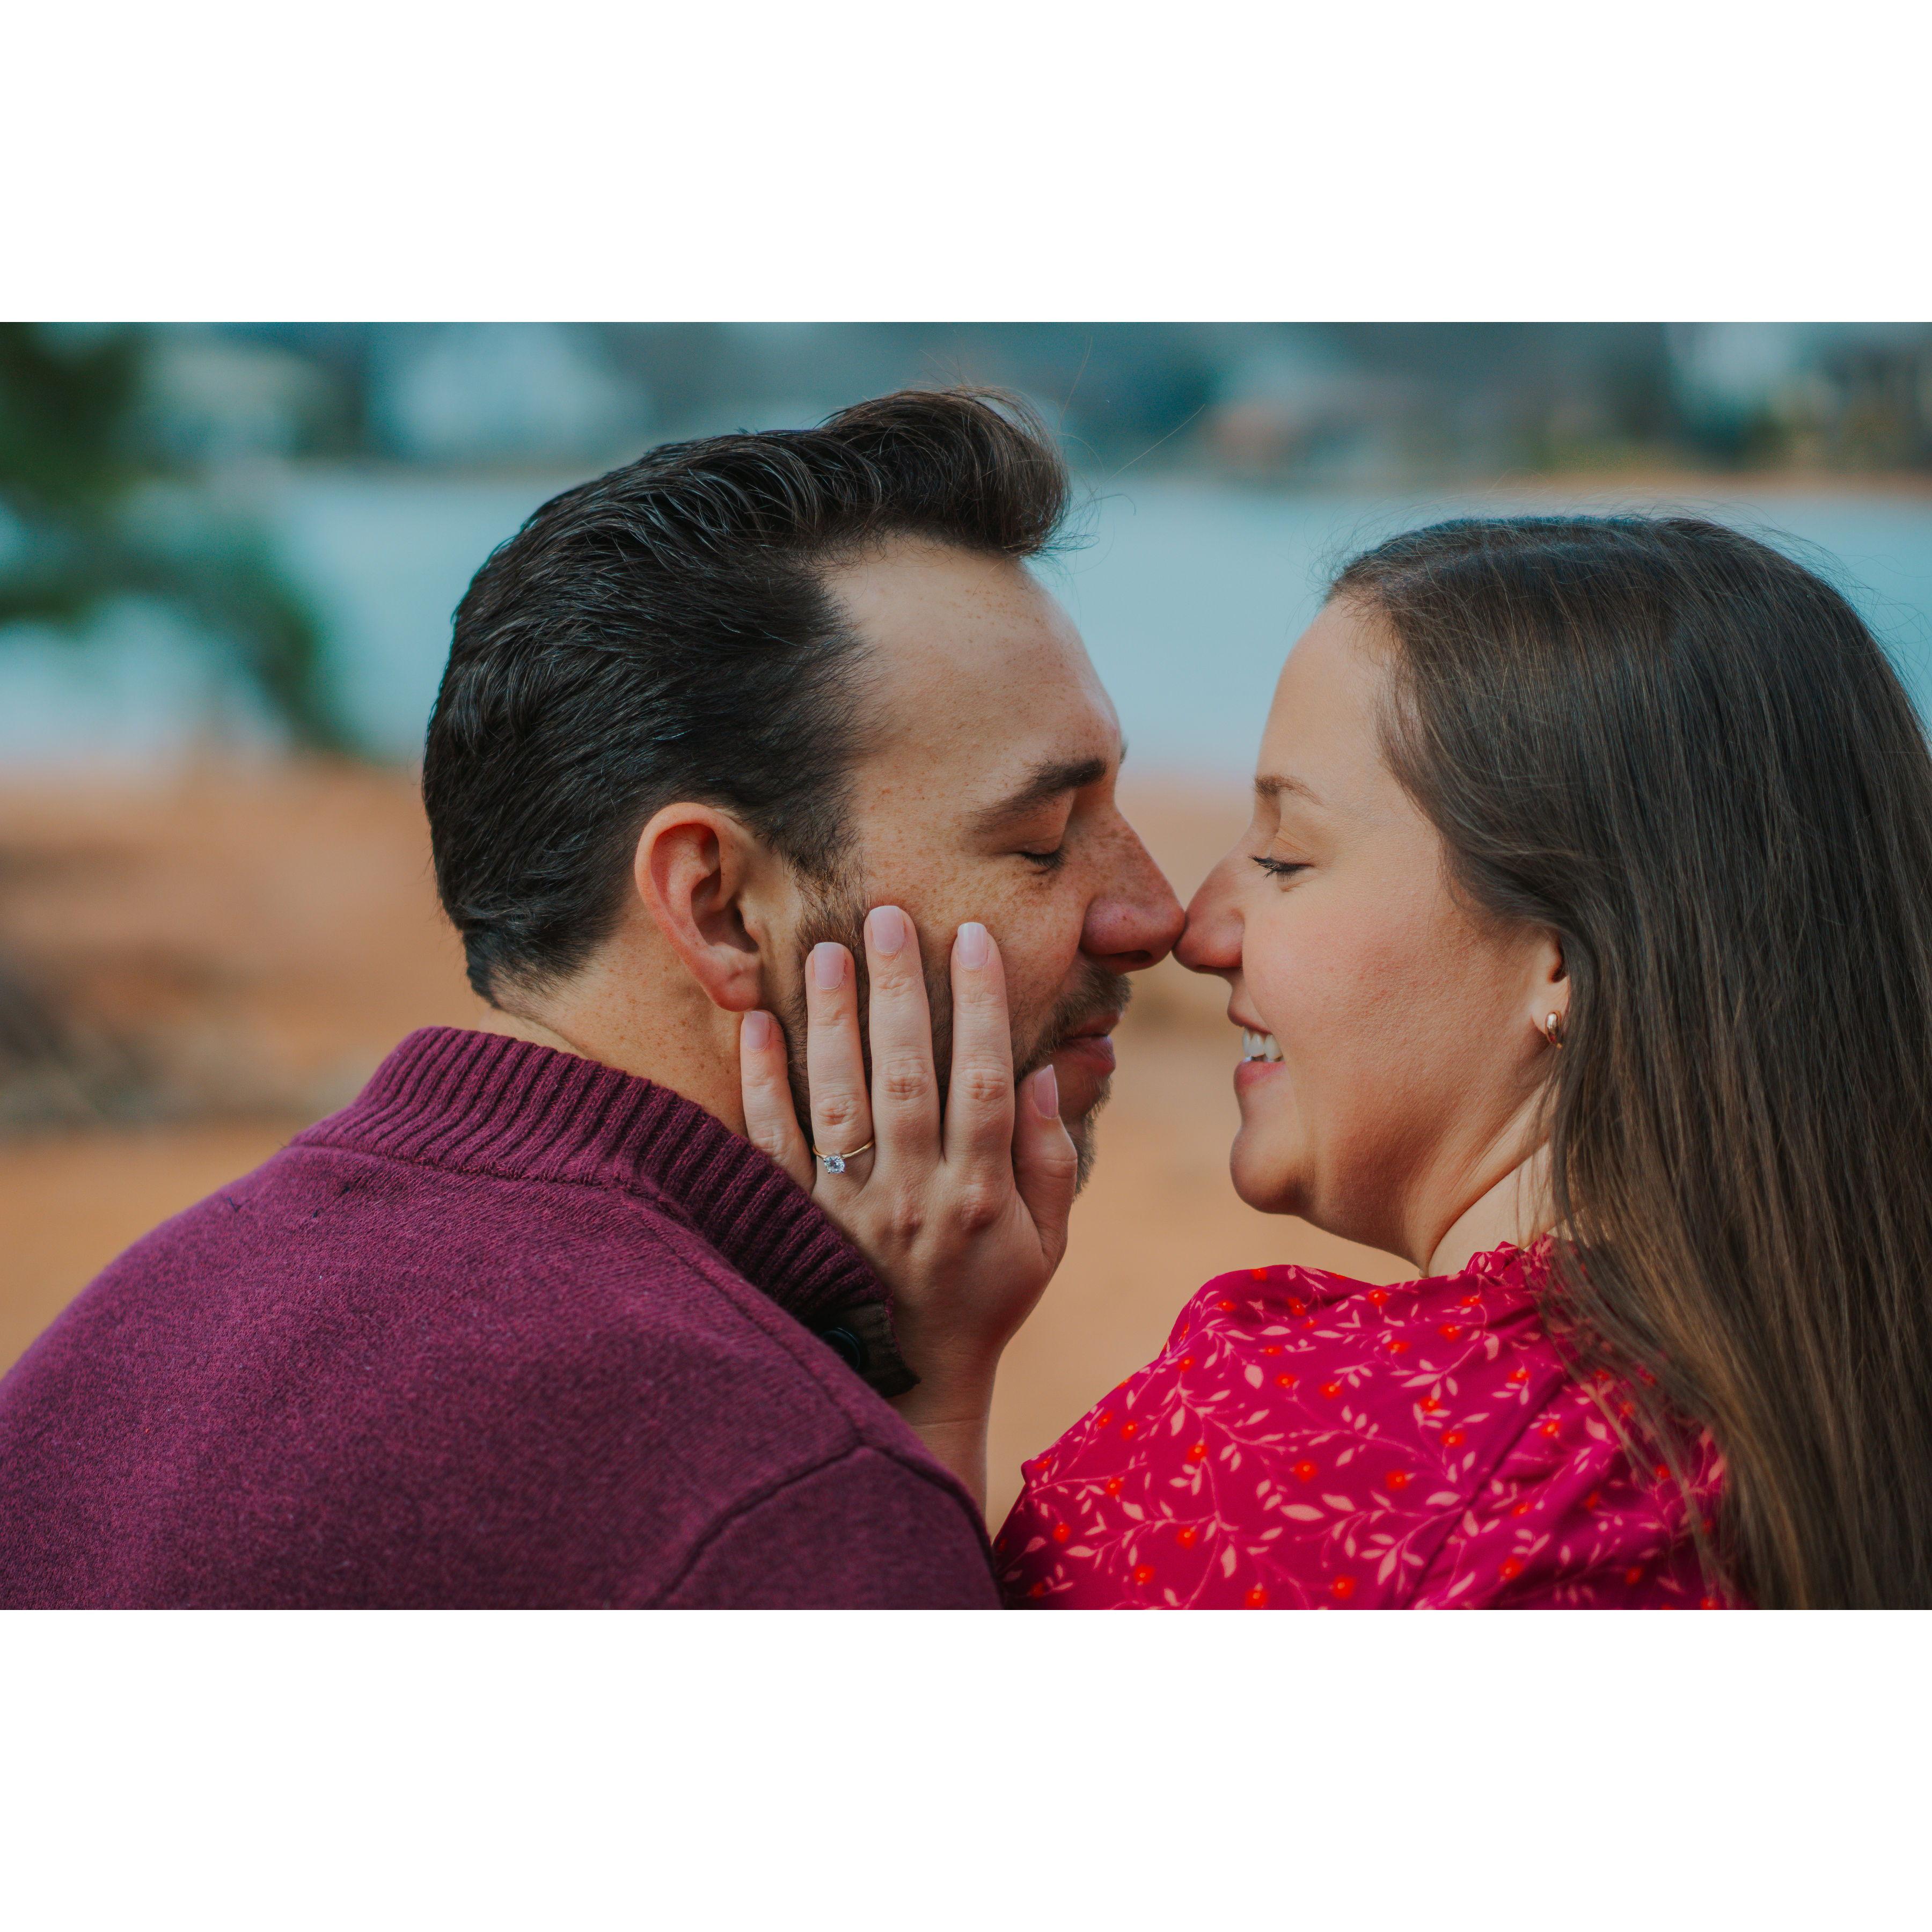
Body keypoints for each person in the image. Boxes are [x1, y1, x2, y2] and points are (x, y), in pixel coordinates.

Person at [0, 388, 1181, 1608]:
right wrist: (909, 1433)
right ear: (717, 906)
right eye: (1045, 839)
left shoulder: (116, 1343)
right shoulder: (773, 1498)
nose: (1156, 912)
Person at [771, 515, 1932, 1609]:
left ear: (1561, 960)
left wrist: (925, 1385)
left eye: (1286, 856)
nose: (1197, 928)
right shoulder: (1840, 1395)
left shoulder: (1319, 1463)